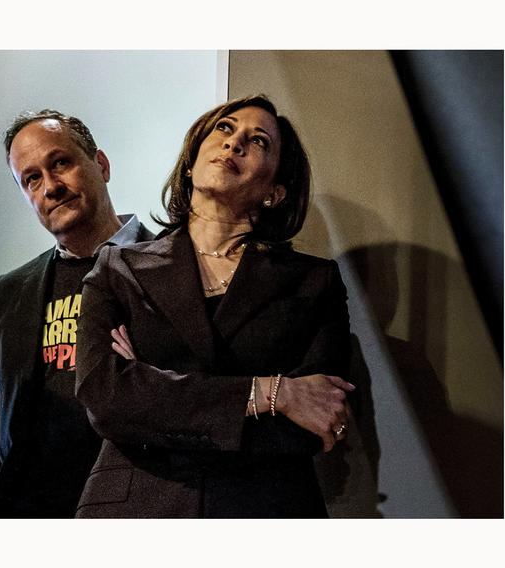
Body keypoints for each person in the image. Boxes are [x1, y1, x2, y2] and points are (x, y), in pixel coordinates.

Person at [75, 95, 354, 518]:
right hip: (137, 508)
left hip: (264, 508)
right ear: (191, 161)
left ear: (275, 191)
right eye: (224, 128)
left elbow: (316, 424)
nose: (234, 143)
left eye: (258, 141)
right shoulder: (117, 267)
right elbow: (107, 398)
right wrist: (273, 392)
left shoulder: (314, 281)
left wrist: (151, 387)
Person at [0, 110, 154, 518]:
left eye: (60, 163)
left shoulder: (173, 266)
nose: (50, 187)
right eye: (31, 179)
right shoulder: (9, 292)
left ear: (100, 165)